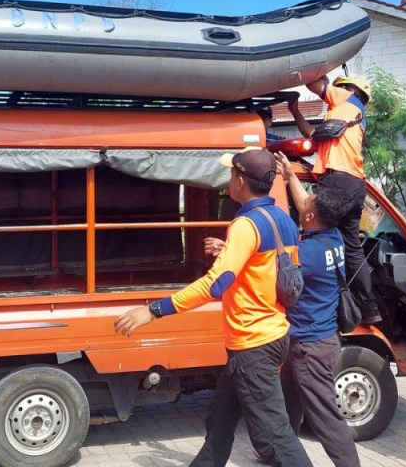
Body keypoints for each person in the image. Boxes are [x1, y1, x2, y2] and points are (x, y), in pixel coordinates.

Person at [114, 147, 311, 467]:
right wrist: (228, 250)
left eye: (232, 173)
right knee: (219, 421)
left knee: (277, 436)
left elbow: (216, 284)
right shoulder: (282, 220)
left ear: (242, 181)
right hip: (268, 336)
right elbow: (266, 269)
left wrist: (153, 310)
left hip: (253, 344)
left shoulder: (246, 224)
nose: (228, 179)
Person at [276, 153, 362, 467]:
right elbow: (305, 206)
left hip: (309, 346)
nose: (306, 201)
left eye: (310, 202)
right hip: (320, 339)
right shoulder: (333, 236)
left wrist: (228, 249)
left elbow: (269, 262)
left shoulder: (306, 253)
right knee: (290, 401)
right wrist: (289, 175)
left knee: (324, 415)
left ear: (311, 218)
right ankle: (279, 452)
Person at [290, 75, 380, 324]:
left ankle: (310, 299)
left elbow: (312, 83)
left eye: (335, 89)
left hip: (336, 182)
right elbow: (311, 134)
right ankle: (369, 307)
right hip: (354, 185)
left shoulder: (345, 99)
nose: (330, 94)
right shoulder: (345, 121)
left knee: (311, 233)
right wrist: (295, 111)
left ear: (349, 90)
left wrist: (321, 67)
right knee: (351, 247)